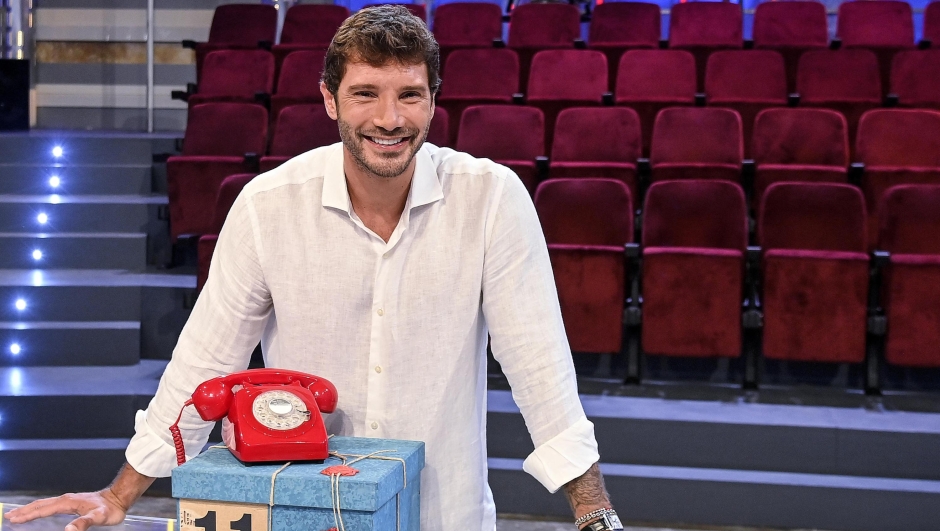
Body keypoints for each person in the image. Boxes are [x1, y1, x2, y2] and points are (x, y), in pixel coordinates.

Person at [5, 6, 621, 531]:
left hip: (443, 513)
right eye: (365, 94)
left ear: (434, 101)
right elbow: (204, 363)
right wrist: (119, 496)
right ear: (329, 100)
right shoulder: (268, 205)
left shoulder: (492, 198)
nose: (389, 119)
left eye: (409, 94)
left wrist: (594, 515)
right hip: (303, 513)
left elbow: (541, 367)